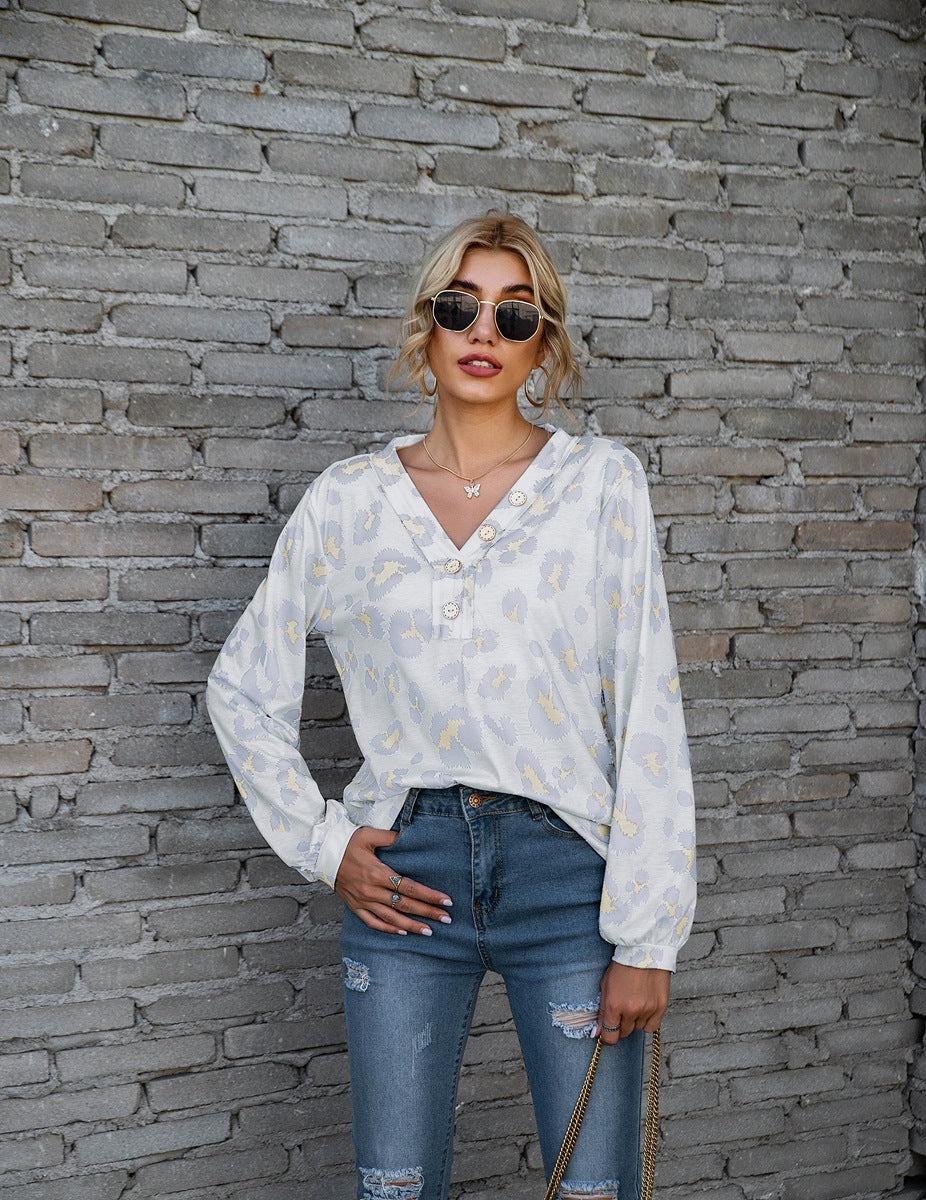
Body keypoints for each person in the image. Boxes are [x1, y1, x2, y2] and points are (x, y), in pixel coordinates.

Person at [206, 211, 696, 1200]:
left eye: (515, 315)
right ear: (425, 328)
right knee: (393, 1190)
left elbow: (648, 705)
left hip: (569, 877)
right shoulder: (348, 502)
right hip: (405, 875)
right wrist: (323, 844)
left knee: (594, 1187)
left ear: (543, 345)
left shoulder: (600, 485)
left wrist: (648, 940)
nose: (483, 332)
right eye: (459, 306)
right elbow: (241, 687)